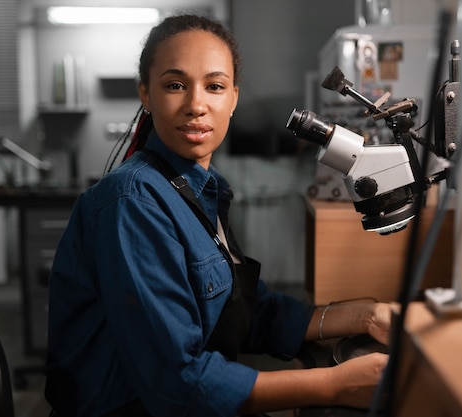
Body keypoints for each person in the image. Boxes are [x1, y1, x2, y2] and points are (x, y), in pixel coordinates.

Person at [45, 14, 393, 417]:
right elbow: (179, 385)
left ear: (233, 98)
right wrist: (335, 386)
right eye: (175, 85)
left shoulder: (198, 189)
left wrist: (367, 316)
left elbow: (247, 312)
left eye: (214, 86)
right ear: (146, 93)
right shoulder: (134, 202)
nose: (196, 105)